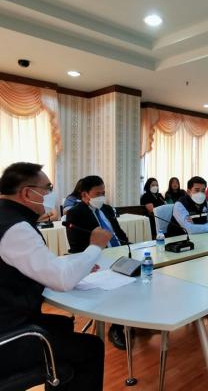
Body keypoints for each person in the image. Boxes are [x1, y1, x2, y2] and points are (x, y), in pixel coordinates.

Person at [0, 162, 110, 391]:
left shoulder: (6, 217)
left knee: (63, 325)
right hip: (8, 335)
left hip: (9, 317)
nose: (51, 194)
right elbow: (62, 280)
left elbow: (35, 264)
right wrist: (95, 247)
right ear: (27, 193)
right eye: (48, 188)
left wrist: (79, 265)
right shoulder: (16, 228)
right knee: (92, 348)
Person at [66, 175, 129, 350]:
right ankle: (116, 327)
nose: (102, 197)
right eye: (97, 194)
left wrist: (128, 246)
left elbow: (118, 232)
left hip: (119, 254)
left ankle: (133, 317)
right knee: (118, 285)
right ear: (85, 195)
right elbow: (76, 246)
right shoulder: (75, 213)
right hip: (96, 260)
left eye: (104, 193)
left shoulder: (107, 209)